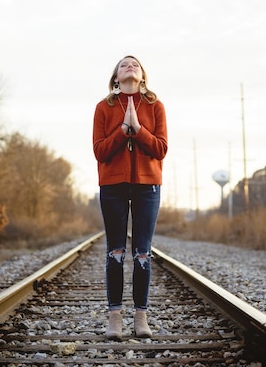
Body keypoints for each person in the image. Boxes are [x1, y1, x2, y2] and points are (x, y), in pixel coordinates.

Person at [92, 55, 168, 340]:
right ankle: (114, 318)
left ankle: (140, 316)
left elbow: (160, 148)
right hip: (112, 186)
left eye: (135, 64)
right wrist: (123, 129)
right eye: (124, 64)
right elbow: (100, 151)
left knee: (142, 253)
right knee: (115, 251)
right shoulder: (103, 107)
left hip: (147, 186)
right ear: (115, 78)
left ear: (143, 76)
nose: (130, 66)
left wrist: (138, 129)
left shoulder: (155, 106)